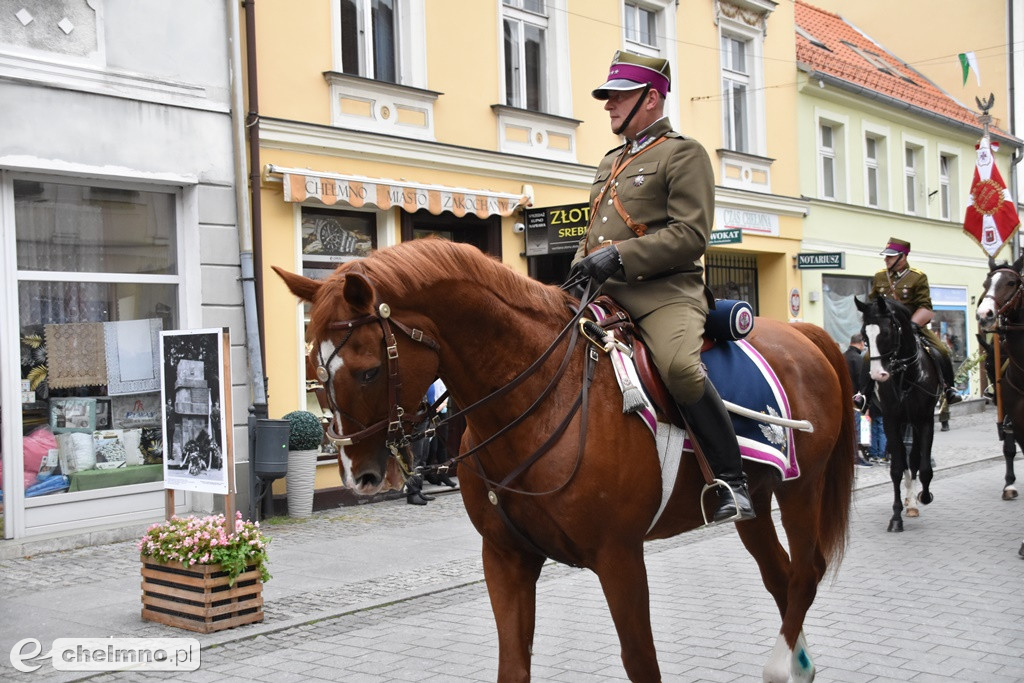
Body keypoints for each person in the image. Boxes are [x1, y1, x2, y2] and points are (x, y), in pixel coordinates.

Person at [568, 51, 753, 524]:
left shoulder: (682, 153)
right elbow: (594, 235)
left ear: (650, 99)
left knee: (679, 368)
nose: (608, 105)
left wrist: (622, 256)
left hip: (665, 294)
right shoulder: (610, 161)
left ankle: (733, 481)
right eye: (608, 96)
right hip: (601, 292)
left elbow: (691, 234)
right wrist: (573, 276)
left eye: (619, 96)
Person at [853, 237, 963, 413]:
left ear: (902, 257)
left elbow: (925, 305)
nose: (886, 259)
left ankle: (949, 389)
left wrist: (912, 324)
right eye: (886, 256)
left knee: (940, 350)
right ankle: (863, 395)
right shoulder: (880, 276)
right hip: (887, 329)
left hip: (912, 327)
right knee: (869, 356)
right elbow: (874, 301)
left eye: (890, 256)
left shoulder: (917, 277)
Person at [844, 334, 872, 467]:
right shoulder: (859, 359)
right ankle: (855, 456)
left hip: (843, 398)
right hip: (856, 400)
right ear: (861, 343)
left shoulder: (843, 356)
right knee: (856, 430)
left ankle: (849, 455)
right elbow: (862, 383)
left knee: (847, 430)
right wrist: (865, 404)